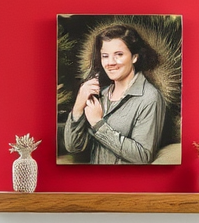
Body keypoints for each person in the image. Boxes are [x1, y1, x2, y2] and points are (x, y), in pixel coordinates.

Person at [63, 24, 168, 165]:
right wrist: (78, 106)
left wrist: (98, 124)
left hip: (129, 183)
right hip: (95, 181)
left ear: (134, 57)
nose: (110, 62)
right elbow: (73, 147)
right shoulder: (101, 94)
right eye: (105, 56)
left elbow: (143, 156)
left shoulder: (149, 97)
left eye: (119, 55)